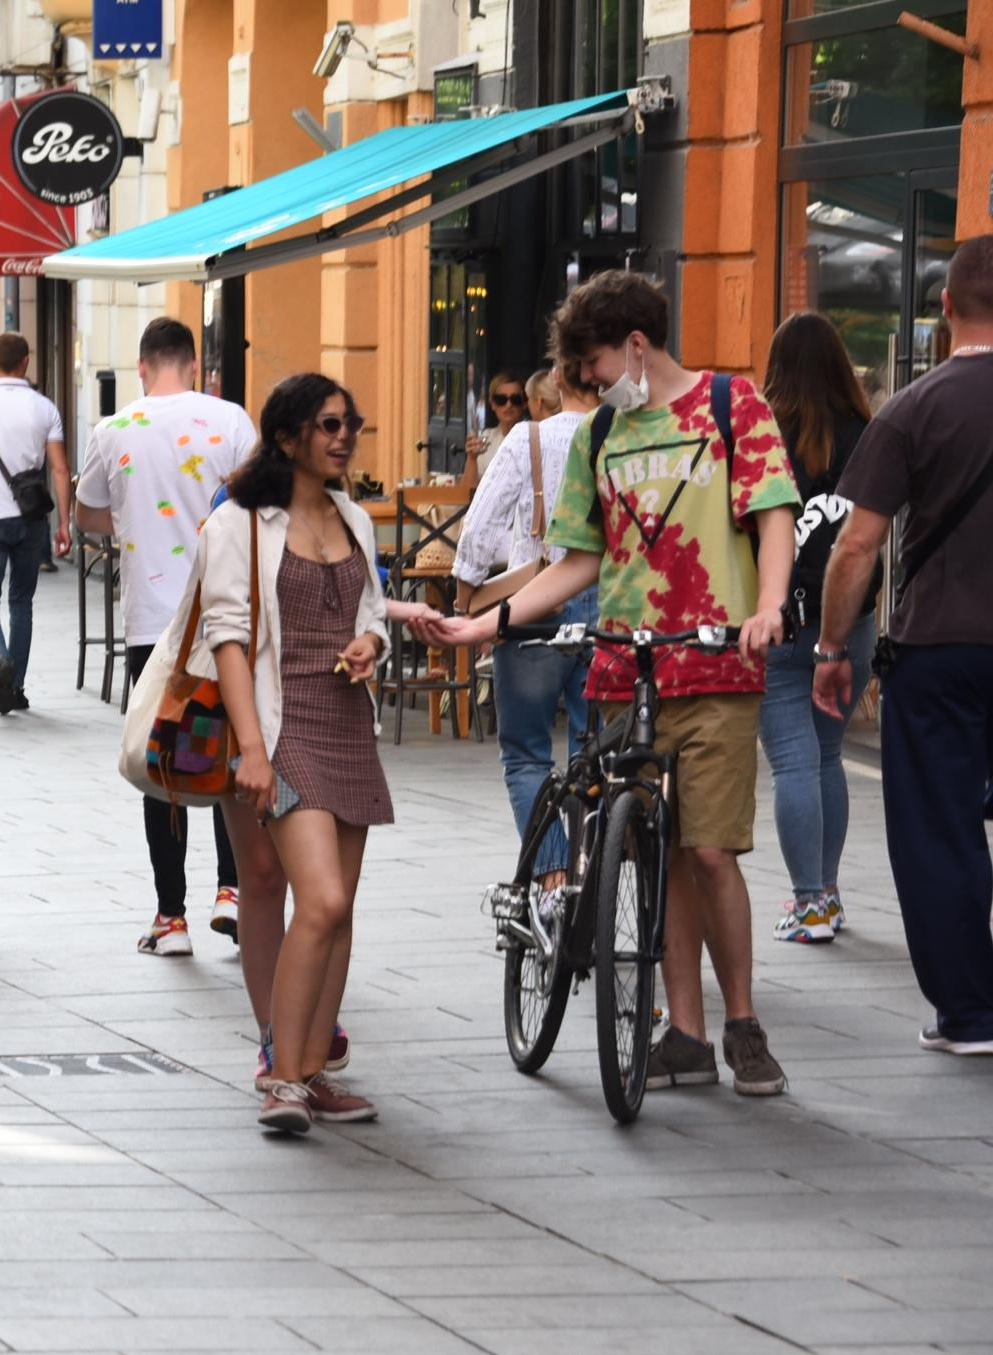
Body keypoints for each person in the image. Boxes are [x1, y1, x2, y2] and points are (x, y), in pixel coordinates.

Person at [423, 270, 800, 1097]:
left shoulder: (733, 408)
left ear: (636, 344)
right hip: (624, 672)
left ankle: (741, 1024)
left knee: (708, 852)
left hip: (716, 663)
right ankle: (684, 1035)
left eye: (596, 364)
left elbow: (775, 514)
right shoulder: (600, 438)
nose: (593, 383)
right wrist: (489, 624)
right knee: (645, 851)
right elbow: (579, 563)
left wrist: (769, 605)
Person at [194, 374, 431, 1134]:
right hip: (281, 721)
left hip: (346, 723)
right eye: (328, 425)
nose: (343, 436)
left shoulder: (354, 518)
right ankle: (281, 1076)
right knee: (318, 898)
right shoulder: (240, 523)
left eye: (349, 423)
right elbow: (226, 638)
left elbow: (369, 611)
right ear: (290, 435)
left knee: (339, 911)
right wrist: (254, 750)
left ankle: (314, 1073)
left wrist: (372, 641)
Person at [813, 235, 993, 1053]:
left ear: (946, 307)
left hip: (938, 648)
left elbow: (857, 546)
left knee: (939, 826)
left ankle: (968, 1011)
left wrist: (830, 648)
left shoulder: (912, 408)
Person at [74, 318, 261, 960]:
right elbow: (260, 505)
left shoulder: (113, 429)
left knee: (165, 764)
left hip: (153, 621)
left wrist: (132, 518)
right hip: (225, 614)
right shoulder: (232, 422)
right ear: (193, 362)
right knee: (232, 752)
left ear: (143, 364)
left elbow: (86, 514)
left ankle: (171, 917)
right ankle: (233, 892)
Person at [451, 357, 601, 897]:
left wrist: (468, 600)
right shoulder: (625, 435)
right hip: (609, 613)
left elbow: (481, 526)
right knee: (596, 751)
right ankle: (594, 876)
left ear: (557, 380)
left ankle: (553, 873)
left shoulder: (528, 441)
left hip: (534, 612)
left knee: (525, 752)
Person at [759, 311, 879, 944]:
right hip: (849, 621)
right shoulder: (868, 432)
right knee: (826, 755)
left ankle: (809, 905)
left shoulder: (763, 433)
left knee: (793, 763)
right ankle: (826, 895)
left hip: (779, 619)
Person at [0, 332, 73, 715]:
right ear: (26, 362)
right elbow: (60, 468)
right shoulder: (44, 409)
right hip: (30, 519)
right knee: (21, 602)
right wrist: (64, 523)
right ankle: (17, 687)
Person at [462, 369, 529, 492]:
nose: (508, 405)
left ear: (524, 403)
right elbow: (467, 493)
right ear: (492, 403)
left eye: (515, 399)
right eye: (501, 400)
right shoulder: (486, 438)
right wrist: (472, 459)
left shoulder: (535, 437)